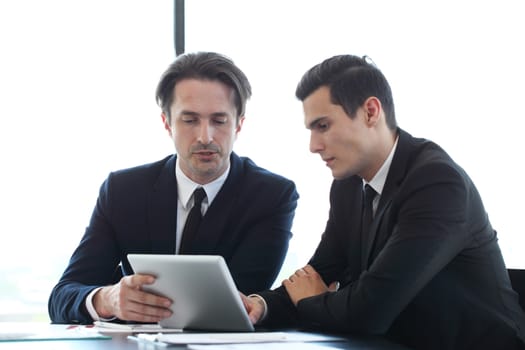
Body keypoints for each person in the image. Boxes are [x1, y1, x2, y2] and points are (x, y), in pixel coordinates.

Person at [241, 54, 525, 349]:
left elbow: (370, 310)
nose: (314, 146)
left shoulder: (438, 182)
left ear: (371, 112)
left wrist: (312, 300)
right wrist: (261, 305)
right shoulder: (348, 185)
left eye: (323, 126)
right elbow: (318, 273)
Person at [49, 51, 299, 324]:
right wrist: (107, 299)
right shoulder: (123, 191)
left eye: (219, 120)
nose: (206, 137)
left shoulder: (271, 196)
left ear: (239, 124)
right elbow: (64, 295)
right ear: (167, 123)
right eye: (190, 120)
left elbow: (237, 299)